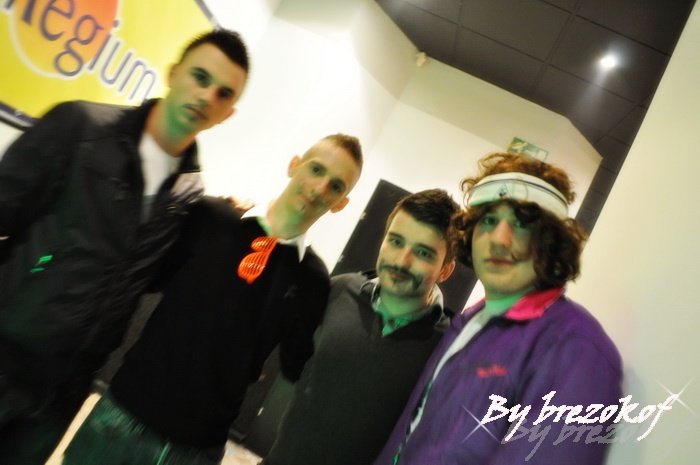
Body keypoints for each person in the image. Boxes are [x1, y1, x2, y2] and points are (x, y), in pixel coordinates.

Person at [0, 29, 249, 464]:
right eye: (200, 77)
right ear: (173, 74)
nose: (207, 96)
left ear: (227, 114)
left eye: (223, 93)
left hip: (65, 389)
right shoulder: (80, 127)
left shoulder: (188, 196)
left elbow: (150, 278)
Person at [62, 133, 363, 465]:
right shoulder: (212, 217)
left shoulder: (314, 281)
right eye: (316, 169)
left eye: (336, 186)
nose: (320, 188)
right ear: (294, 165)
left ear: (341, 203)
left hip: (197, 447)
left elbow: (297, 365)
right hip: (125, 413)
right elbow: (144, 279)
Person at [373, 153, 623, 465]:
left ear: (550, 241)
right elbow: (411, 433)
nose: (500, 240)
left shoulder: (576, 349)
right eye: (489, 220)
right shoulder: (468, 323)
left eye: (522, 223)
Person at [264, 189, 459, 465]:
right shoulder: (337, 290)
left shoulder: (449, 347)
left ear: (446, 270)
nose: (401, 261)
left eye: (423, 253)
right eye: (395, 241)